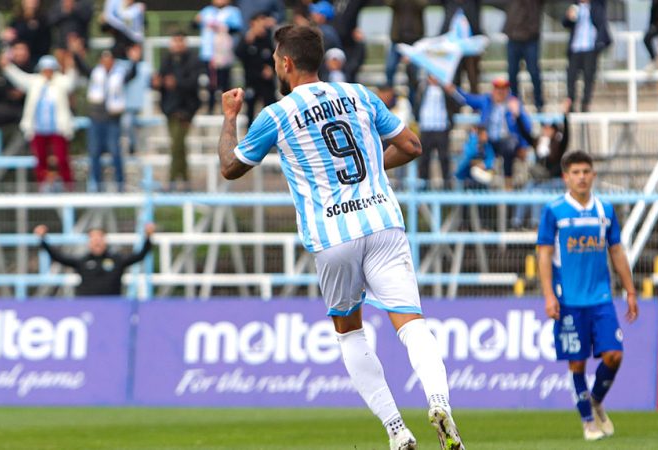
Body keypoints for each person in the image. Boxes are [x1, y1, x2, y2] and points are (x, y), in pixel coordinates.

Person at [217, 25, 465, 450]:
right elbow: (411, 145)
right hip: (383, 223)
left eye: (277, 58)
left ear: (287, 63)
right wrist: (370, 170)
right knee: (411, 324)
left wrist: (229, 118)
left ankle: (396, 430)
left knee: (350, 332)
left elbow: (230, 167)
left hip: (333, 235)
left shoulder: (277, 114)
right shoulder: (359, 94)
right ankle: (439, 402)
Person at [537, 150, 638, 441]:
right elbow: (544, 254)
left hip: (601, 298)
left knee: (614, 355)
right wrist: (548, 295)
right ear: (565, 177)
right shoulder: (554, 210)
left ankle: (594, 400)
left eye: (586, 171)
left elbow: (616, 250)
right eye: (575, 172)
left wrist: (630, 290)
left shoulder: (605, 209)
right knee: (577, 363)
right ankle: (587, 422)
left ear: (593, 175)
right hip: (568, 300)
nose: (581, 177)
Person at [0, 53, 76, 191]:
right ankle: (43, 186)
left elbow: (71, 81)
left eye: (50, 69)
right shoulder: (35, 82)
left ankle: (68, 186)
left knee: (62, 158)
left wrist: (70, 65)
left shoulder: (61, 82)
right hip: (38, 129)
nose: (47, 72)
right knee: (40, 159)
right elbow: (19, 78)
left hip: (58, 129)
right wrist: (8, 67)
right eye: (45, 69)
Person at [448, 77, 533, 189]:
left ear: (507, 91)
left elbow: (527, 128)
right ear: (493, 90)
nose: (500, 92)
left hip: (505, 143)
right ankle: (468, 182)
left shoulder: (514, 103)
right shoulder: (486, 101)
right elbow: (466, 99)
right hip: (487, 141)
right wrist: (453, 90)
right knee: (473, 146)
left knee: (510, 144)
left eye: (503, 89)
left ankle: (508, 182)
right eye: (498, 88)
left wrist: (518, 114)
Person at [34, 222, 155, 297]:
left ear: (105, 240)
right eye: (93, 238)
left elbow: (140, 255)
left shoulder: (117, 260)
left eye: (99, 237)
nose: (97, 241)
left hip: (113, 308)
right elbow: (58, 257)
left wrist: (148, 238)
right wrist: (43, 240)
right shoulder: (82, 261)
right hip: (89, 308)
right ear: (89, 242)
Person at [85, 49, 139, 192]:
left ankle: (120, 184)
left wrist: (134, 61)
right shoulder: (96, 73)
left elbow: (132, 74)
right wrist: (76, 53)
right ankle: (97, 185)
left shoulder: (119, 74)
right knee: (94, 152)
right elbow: (83, 69)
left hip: (112, 119)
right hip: (96, 118)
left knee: (115, 152)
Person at [154, 32, 202, 191]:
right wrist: (157, 83)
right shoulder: (167, 60)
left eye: (180, 41)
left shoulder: (192, 60)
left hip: (185, 110)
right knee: (178, 146)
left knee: (177, 146)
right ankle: (185, 182)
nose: (177, 45)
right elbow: (160, 82)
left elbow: (193, 83)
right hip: (170, 109)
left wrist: (176, 83)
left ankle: (173, 182)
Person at [194, 0, 243, 113]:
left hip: (224, 54)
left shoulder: (232, 11)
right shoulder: (207, 11)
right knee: (211, 82)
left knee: (225, 82)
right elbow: (195, 24)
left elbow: (236, 29)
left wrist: (221, 27)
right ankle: (210, 108)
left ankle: (225, 108)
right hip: (209, 53)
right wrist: (197, 20)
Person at [562, 0, 612, 113]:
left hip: (590, 47)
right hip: (576, 47)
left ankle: (585, 103)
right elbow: (565, 23)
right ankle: (571, 101)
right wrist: (568, 17)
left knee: (589, 76)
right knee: (571, 75)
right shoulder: (575, 7)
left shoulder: (597, 6)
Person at [415, 75, 456, 189]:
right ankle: (423, 187)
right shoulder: (422, 87)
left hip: (441, 127)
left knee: (444, 159)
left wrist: (451, 91)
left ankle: (447, 188)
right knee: (424, 159)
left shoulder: (445, 88)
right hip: (426, 127)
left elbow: (457, 103)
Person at [504, 0, 545, 111]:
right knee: (512, 73)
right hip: (513, 37)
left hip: (530, 38)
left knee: (534, 72)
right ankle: (514, 103)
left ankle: (539, 103)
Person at [235, 12, 277, 122]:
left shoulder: (267, 39)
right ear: (253, 24)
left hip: (267, 82)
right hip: (252, 81)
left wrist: (271, 70)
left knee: (271, 108)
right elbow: (239, 55)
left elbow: (275, 57)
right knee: (250, 110)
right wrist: (246, 41)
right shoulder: (247, 40)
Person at [384, 0, 425, 108]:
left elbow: (423, 4)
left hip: (414, 41)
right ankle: (389, 102)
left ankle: (414, 108)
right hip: (397, 39)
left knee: (413, 76)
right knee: (389, 70)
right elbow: (388, 3)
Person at [441, 0, 482, 93]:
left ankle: (475, 105)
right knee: (454, 79)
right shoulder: (449, 3)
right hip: (452, 48)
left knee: (473, 78)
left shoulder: (472, 3)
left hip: (471, 47)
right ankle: (454, 106)